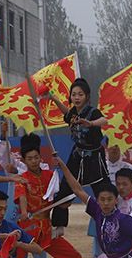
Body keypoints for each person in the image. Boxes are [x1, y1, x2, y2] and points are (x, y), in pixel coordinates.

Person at [13, 133, 88, 258]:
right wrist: (24, 212)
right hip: (28, 230)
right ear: (24, 160)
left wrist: (65, 201)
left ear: (40, 157)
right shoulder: (22, 178)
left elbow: (60, 195)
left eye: (36, 157)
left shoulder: (50, 175)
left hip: (47, 230)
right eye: (29, 158)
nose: (33, 161)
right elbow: (21, 196)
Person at [0, 123, 58, 258]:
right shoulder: (14, 164)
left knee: (41, 257)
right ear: (22, 154)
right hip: (17, 216)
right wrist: (3, 135)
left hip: (39, 220)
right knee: (17, 255)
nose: (33, 159)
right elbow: (3, 158)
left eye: (35, 154)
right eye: (28, 155)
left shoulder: (44, 166)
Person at [44, 77, 108, 229]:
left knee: (103, 191)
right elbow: (67, 114)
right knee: (65, 189)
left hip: (94, 157)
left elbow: (104, 120)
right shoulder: (73, 112)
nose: (77, 97)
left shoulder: (92, 112)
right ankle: (59, 226)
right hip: (77, 156)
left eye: (80, 94)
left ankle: (110, 220)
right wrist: (53, 99)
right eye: (74, 94)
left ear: (86, 96)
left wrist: (91, 123)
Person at [87, 143, 132, 258]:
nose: (114, 148)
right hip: (103, 207)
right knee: (100, 242)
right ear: (107, 146)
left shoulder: (128, 167)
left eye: (118, 145)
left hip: (121, 209)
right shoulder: (99, 165)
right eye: (112, 145)